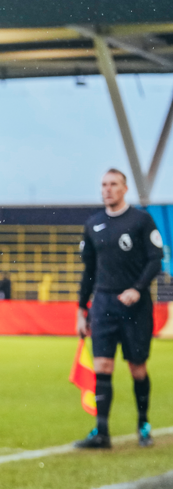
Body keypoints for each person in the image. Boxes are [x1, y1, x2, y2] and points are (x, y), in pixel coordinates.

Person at [75, 169, 162, 449]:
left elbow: (155, 259)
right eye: (103, 185)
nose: (107, 189)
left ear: (125, 189)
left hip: (135, 306)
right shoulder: (93, 224)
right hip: (103, 304)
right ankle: (102, 433)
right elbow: (88, 270)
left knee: (137, 367)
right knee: (102, 365)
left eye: (113, 184)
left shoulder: (141, 220)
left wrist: (137, 289)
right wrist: (81, 308)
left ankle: (143, 425)